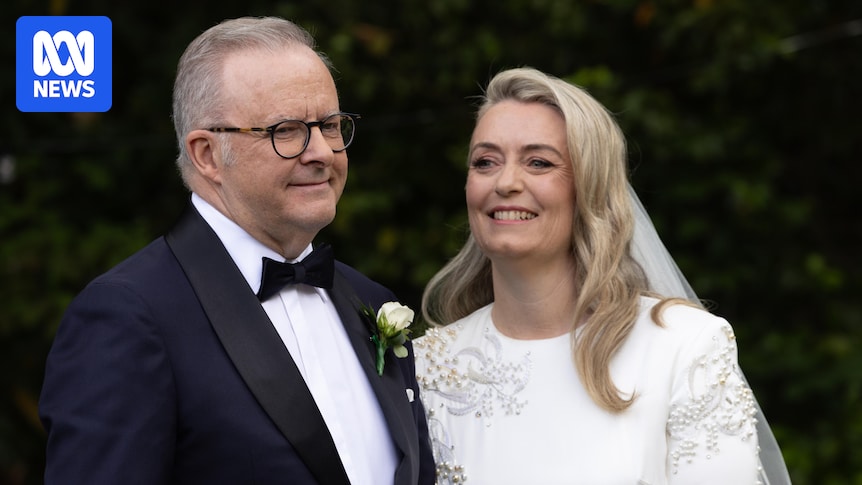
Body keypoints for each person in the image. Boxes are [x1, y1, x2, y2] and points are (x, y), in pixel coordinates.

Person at [39, 16, 434, 485]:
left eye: (330, 125)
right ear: (207, 155)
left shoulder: (367, 298)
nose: (322, 152)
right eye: (286, 130)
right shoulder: (129, 316)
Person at [414, 67, 790, 484]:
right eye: (485, 162)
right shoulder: (427, 367)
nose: (505, 182)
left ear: (589, 187)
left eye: (539, 162)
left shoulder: (684, 347)